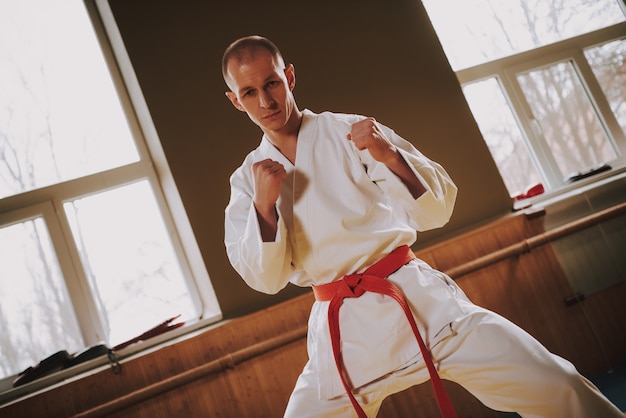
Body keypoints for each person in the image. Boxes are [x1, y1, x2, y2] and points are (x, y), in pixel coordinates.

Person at [222, 35, 623, 418]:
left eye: (272, 83)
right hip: (343, 332)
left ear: (289, 76)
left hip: (418, 302)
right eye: (249, 92)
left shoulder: (352, 132)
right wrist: (263, 206)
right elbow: (265, 279)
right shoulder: (247, 181)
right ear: (235, 101)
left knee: (557, 384)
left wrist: (389, 154)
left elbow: (437, 210)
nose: (266, 100)